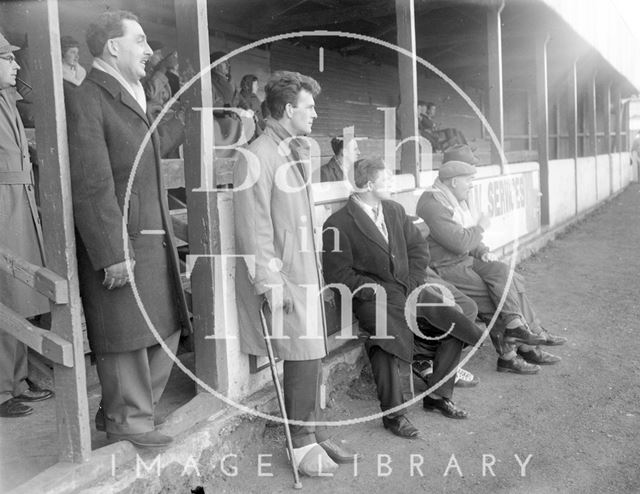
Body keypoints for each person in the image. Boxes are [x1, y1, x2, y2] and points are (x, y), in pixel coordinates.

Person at [65, 10, 191, 448]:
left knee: (165, 326)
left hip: (151, 235)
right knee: (124, 335)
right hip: (122, 237)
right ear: (113, 46)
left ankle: (125, 410)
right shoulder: (87, 97)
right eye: (139, 41)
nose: (149, 50)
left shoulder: (129, 92)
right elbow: (91, 182)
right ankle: (128, 421)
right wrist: (111, 250)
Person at [234, 71, 355, 476]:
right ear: (288, 109)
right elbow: (254, 228)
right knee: (301, 355)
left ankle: (316, 429)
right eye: (310, 107)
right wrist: (269, 282)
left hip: (304, 268)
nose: (316, 114)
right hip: (282, 276)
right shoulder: (258, 154)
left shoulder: (293, 149)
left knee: (313, 351)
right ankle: (300, 443)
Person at [322, 157, 486, 439]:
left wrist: (412, 282)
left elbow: (419, 250)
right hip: (372, 298)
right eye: (386, 180)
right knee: (385, 339)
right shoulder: (338, 223)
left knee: (455, 321)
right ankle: (394, 415)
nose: (392, 185)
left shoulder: (394, 210)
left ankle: (437, 394)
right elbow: (338, 274)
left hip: (407, 289)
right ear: (370, 185)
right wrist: (374, 289)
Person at [416, 146, 567, 375]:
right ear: (454, 180)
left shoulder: (454, 198)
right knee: (494, 299)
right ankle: (510, 354)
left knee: (508, 276)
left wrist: (482, 250)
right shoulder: (433, 203)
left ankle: (523, 334)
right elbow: (458, 241)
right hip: (445, 267)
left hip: (464, 259)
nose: (472, 184)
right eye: (468, 179)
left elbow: (466, 238)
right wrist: (480, 228)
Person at [0, 32, 54, 418]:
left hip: (19, 204)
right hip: (4, 208)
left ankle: (16, 382)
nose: (16, 65)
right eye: (8, 59)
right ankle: (4, 390)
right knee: (6, 298)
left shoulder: (8, 100)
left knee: (18, 297)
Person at [235, 74, 264, 140]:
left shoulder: (241, 96)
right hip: (254, 134)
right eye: (256, 85)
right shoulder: (251, 98)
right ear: (249, 85)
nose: (258, 87)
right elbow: (257, 117)